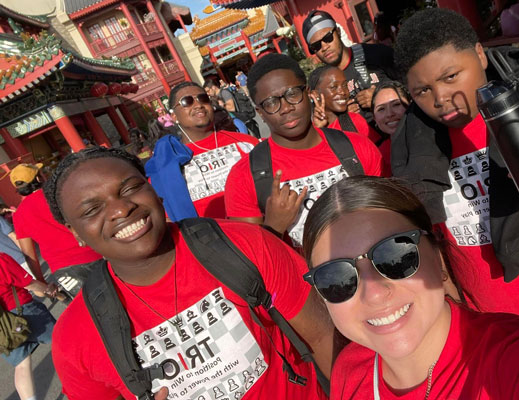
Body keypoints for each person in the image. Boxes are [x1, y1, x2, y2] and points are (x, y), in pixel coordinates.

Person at [45, 147, 334, 399]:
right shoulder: (75, 337)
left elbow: (322, 338)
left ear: (154, 192)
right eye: (92, 209)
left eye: (130, 189)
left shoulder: (244, 244)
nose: (121, 210)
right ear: (75, 233)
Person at [391, 8, 519, 350]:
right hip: (504, 345)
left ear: (478, 54)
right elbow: (431, 251)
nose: (442, 99)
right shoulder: (413, 154)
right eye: (422, 91)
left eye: (451, 76)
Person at [301, 175, 519, 400]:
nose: (375, 292)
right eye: (335, 277)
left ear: (440, 259)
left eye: (396, 256)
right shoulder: (349, 371)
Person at [224, 54, 383, 249]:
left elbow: (388, 217)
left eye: (292, 94)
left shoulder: (357, 146)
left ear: (309, 93)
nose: (285, 108)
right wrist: (274, 227)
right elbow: (253, 258)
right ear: (260, 112)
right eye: (271, 103)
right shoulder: (244, 177)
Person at [145, 82, 259, 221]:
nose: (198, 105)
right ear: (174, 117)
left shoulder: (246, 143)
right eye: (187, 101)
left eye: (203, 99)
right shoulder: (167, 164)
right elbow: (165, 217)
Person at [10, 163, 102, 298]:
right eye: (41, 173)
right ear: (37, 179)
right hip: (93, 253)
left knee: (95, 309)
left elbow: (29, 255)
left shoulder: (19, 215)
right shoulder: (58, 194)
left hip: (63, 270)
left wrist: (42, 283)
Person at [302, 10, 395, 125]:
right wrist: (343, 119)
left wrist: (381, 97)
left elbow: (411, 86)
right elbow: (324, 123)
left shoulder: (376, 54)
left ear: (338, 32)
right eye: (316, 46)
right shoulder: (320, 84)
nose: (324, 47)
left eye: (328, 38)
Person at [1, 252, 59, 400]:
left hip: (3, 328)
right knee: (64, 340)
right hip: (24, 312)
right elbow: (28, 283)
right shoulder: (1, 259)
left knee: (21, 365)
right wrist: (47, 288)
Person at [370, 81, 410, 175]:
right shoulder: (379, 156)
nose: (389, 114)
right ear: (374, 118)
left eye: (396, 104)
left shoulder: (433, 136)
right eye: (381, 109)